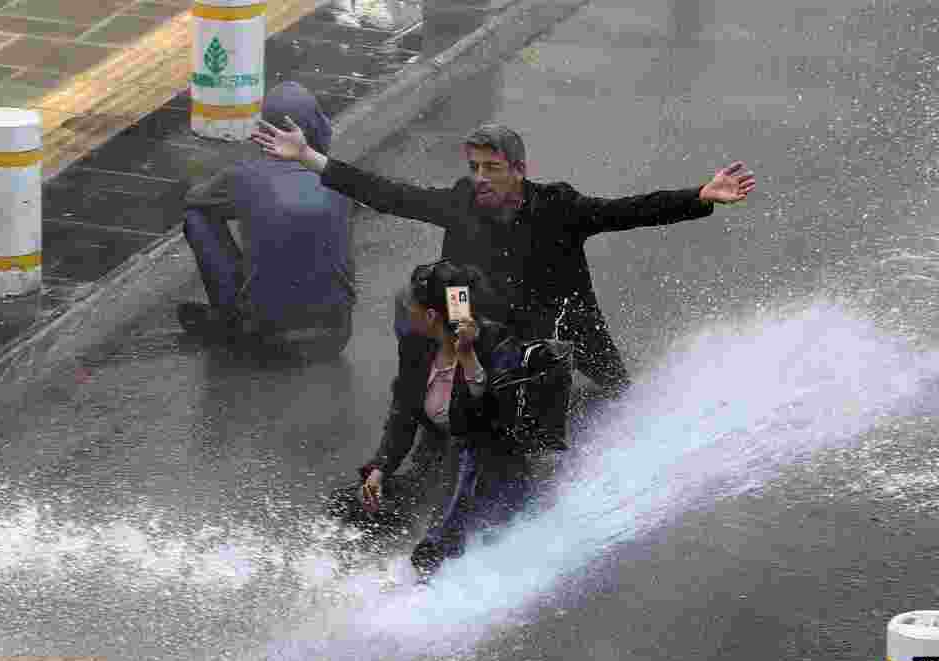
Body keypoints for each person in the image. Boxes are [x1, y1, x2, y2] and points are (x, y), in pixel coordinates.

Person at [250, 119, 755, 408]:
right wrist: (310, 158)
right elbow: (388, 195)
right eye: (474, 169)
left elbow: (628, 211)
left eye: (492, 169)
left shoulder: (558, 206)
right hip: (481, 321)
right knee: (467, 399)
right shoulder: (459, 203)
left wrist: (699, 195)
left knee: (617, 393)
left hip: (563, 320)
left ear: (519, 170)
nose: (481, 178)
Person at [326, 259, 564, 577]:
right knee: (346, 504)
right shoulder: (415, 347)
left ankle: (427, 570)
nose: (406, 310)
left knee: (432, 551)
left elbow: (481, 424)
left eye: (412, 305)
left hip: (488, 473)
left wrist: (467, 354)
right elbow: (403, 414)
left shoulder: (496, 344)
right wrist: (379, 469)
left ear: (430, 316)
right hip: (439, 468)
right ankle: (356, 572)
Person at [177, 81, 356, 360]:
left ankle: (227, 317)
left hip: (266, 340)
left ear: (262, 131)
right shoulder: (340, 178)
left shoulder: (243, 176)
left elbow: (193, 199)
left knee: (196, 217)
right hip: (337, 335)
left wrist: (250, 200)